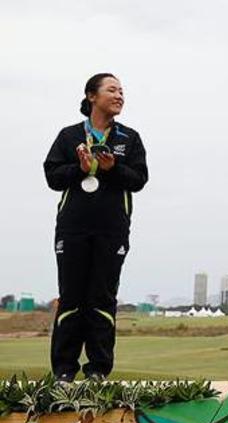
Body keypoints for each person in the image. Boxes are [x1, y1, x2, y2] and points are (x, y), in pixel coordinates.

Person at [44, 73, 148, 381]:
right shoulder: (69, 136)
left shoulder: (128, 139)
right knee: (71, 296)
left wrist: (112, 168)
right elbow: (52, 177)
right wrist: (80, 167)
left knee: (102, 298)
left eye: (122, 91)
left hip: (112, 229)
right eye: (112, 90)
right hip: (73, 228)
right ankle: (63, 371)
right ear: (92, 96)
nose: (119, 96)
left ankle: (98, 371)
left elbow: (139, 180)